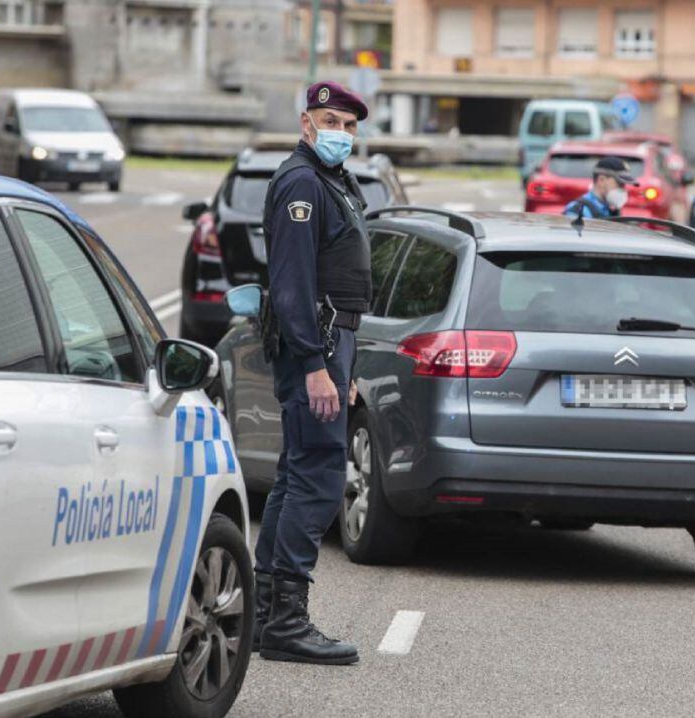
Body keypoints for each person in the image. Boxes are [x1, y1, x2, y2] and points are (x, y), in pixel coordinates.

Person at [253, 80, 371, 666]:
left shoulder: (330, 180)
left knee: (297, 473)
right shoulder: (302, 181)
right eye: (331, 122)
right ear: (306, 125)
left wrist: (342, 364)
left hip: (332, 343)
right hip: (315, 343)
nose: (341, 135)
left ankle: (263, 612)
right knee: (320, 477)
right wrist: (315, 366)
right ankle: (286, 622)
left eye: (350, 127)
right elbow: (293, 283)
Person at [562, 156, 637, 218]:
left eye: (623, 185)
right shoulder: (578, 210)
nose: (623, 189)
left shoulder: (611, 209)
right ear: (601, 180)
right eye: (619, 184)